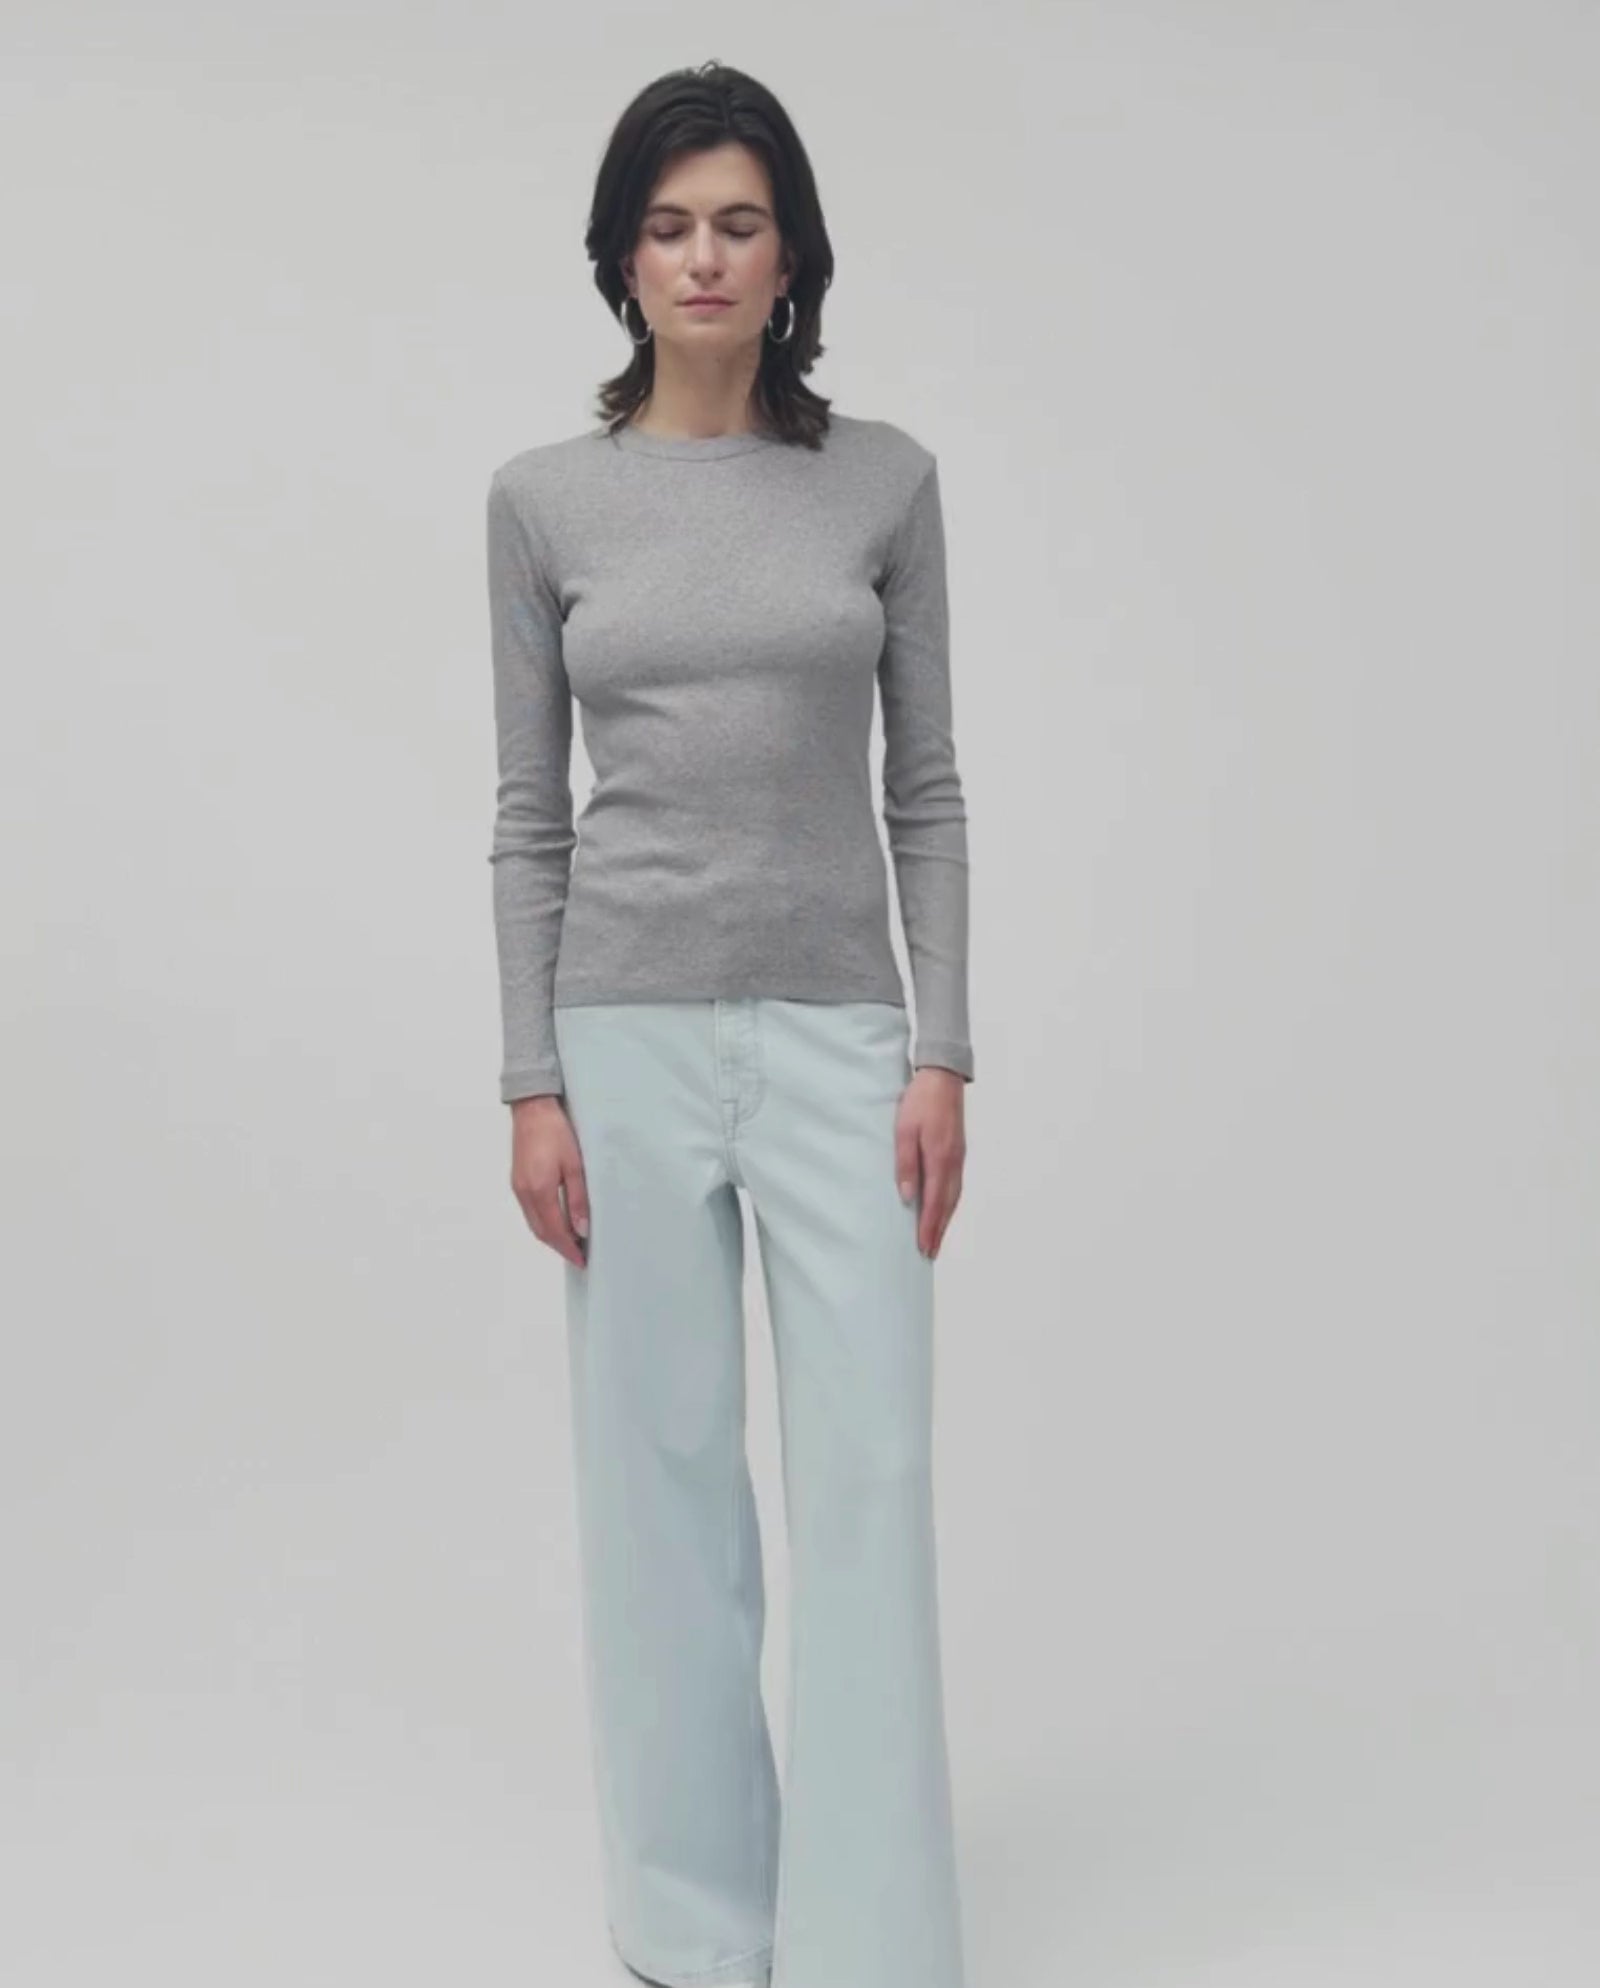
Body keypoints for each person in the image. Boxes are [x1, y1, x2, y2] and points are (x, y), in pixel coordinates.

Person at [484, 59, 973, 1988]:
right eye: (670, 224)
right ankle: (693, 1935)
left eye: (739, 223)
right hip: (622, 1035)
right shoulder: (543, 503)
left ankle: (871, 1941)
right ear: (622, 258)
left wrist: (943, 1048)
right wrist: (532, 1083)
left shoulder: (885, 484)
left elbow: (926, 790)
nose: (704, 256)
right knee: (662, 1491)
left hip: (845, 1037)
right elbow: (530, 815)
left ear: (792, 257)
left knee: (871, 1481)